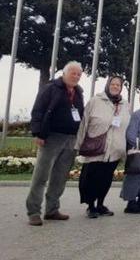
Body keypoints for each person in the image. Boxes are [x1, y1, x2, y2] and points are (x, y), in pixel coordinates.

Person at [26, 61, 85, 226]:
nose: (76, 76)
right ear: (64, 73)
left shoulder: (78, 92)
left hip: (70, 139)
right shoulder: (50, 88)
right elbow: (38, 110)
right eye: (73, 73)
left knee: (59, 178)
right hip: (51, 137)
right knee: (41, 176)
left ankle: (52, 210)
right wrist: (37, 133)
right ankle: (33, 211)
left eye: (79, 74)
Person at [75, 75, 129, 218]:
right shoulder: (96, 101)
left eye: (118, 85)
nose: (116, 87)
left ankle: (101, 204)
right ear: (108, 85)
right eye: (113, 84)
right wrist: (78, 144)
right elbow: (84, 122)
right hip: (96, 146)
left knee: (106, 178)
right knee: (92, 177)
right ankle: (91, 206)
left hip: (114, 149)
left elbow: (126, 126)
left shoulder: (124, 104)